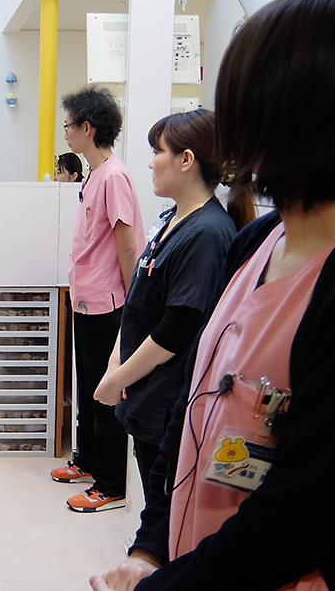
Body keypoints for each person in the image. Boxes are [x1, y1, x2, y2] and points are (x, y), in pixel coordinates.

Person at [91, 0, 335, 591]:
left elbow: (301, 513)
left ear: (300, 113)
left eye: (245, 106)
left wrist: (161, 586)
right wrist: (150, 548)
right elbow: (191, 407)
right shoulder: (257, 241)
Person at [92, 110, 241, 498]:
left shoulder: (208, 234)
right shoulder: (174, 219)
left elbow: (174, 330)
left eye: (157, 151)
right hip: (146, 394)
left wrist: (117, 380)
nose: (150, 162)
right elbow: (140, 301)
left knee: (166, 514)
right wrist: (117, 361)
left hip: (170, 404)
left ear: (186, 160)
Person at [51, 85, 144, 514]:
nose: (66, 133)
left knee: (106, 393)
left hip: (109, 303)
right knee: (88, 388)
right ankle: (87, 461)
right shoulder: (94, 174)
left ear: (87, 128)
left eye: (69, 126)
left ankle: (110, 484)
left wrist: (133, 303)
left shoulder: (115, 176)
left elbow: (127, 244)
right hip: (86, 299)